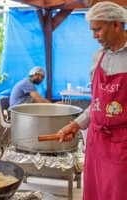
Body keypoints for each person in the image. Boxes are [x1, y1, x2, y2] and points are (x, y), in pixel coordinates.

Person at [56, 2, 127, 200]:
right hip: (97, 141)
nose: (94, 35)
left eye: (97, 29)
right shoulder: (98, 57)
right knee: (96, 192)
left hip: (122, 143)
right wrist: (75, 125)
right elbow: (97, 103)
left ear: (115, 25)